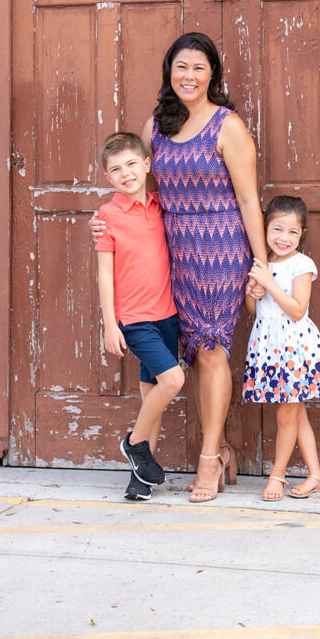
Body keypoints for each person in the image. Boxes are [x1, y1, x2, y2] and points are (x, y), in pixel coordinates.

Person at [92, 33, 266, 503]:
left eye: (199, 68)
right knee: (172, 359)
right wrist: (106, 221)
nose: (189, 77)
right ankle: (181, 456)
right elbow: (136, 187)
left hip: (218, 248)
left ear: (213, 75)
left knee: (211, 351)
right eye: (181, 67)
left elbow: (249, 198)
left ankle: (209, 457)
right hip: (169, 251)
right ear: (170, 72)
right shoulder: (156, 127)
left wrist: (261, 263)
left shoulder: (227, 126)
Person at [95, 131, 184, 501]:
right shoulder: (107, 216)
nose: (126, 173)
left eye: (132, 163)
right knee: (173, 381)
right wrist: (109, 324)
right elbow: (104, 272)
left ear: (148, 164)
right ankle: (134, 444)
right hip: (135, 320)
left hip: (168, 316)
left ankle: (141, 479)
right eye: (116, 169)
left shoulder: (162, 205)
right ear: (108, 178)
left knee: (153, 394)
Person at [242, 195, 320, 501]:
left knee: (285, 416)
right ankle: (315, 475)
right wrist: (252, 292)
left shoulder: (301, 264)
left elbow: (297, 310)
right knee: (297, 416)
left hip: (295, 349)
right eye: (277, 230)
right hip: (269, 347)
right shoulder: (263, 264)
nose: (284, 238)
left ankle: (277, 476)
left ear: (302, 234)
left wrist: (269, 284)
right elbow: (254, 312)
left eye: (292, 232)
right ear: (265, 229)